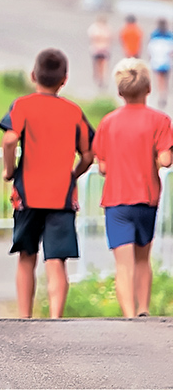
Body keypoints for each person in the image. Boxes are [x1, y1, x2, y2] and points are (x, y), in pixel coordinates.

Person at [0, 48, 94, 319]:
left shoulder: (23, 105)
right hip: (61, 194)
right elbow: (88, 153)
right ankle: (55, 319)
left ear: (32, 75)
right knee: (56, 260)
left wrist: (9, 170)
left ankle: (24, 317)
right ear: (64, 79)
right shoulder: (73, 111)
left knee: (27, 256)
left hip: (27, 193)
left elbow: (9, 139)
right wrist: (75, 174)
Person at [92, 58, 173, 317]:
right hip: (146, 198)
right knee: (142, 259)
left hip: (116, 199)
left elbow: (102, 166)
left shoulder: (108, 122)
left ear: (119, 91)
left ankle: (128, 314)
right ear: (149, 89)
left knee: (123, 264)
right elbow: (165, 159)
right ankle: (144, 309)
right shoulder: (160, 120)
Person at [147, 20, 173, 108]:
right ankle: (163, 94)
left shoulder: (154, 35)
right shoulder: (169, 36)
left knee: (159, 79)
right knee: (165, 80)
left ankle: (160, 94)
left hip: (156, 61)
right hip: (166, 61)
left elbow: (150, 49)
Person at [88, 15, 111, 89]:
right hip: (99, 49)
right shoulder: (103, 29)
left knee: (102, 65)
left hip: (101, 49)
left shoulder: (96, 29)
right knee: (99, 65)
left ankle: (101, 79)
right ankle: (99, 78)